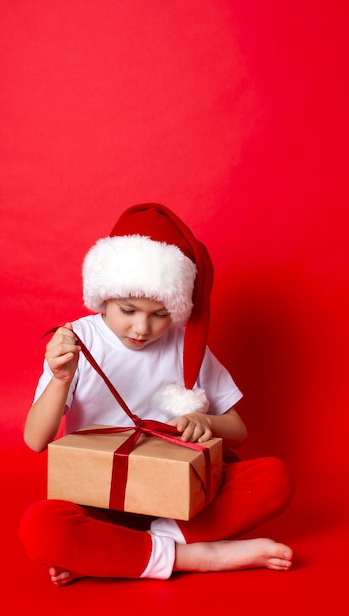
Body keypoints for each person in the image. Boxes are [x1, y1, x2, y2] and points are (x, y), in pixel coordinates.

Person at [19, 203, 294, 587]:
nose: (141, 327)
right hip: (101, 499)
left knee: (273, 477)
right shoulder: (79, 341)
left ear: (178, 309)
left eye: (160, 314)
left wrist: (205, 420)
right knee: (41, 528)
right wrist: (61, 378)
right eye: (127, 309)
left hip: (178, 500)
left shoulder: (187, 346)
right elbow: (35, 440)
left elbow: (238, 431)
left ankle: (123, 554)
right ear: (103, 296)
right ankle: (199, 557)